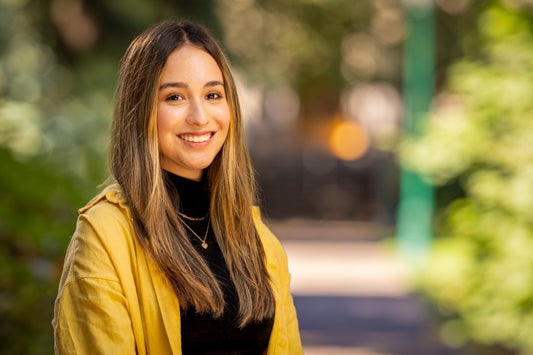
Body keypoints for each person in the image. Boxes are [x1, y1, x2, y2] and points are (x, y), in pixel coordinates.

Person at [52, 19, 303, 354]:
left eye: (213, 94)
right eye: (175, 97)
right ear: (140, 110)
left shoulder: (258, 240)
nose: (200, 117)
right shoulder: (105, 235)